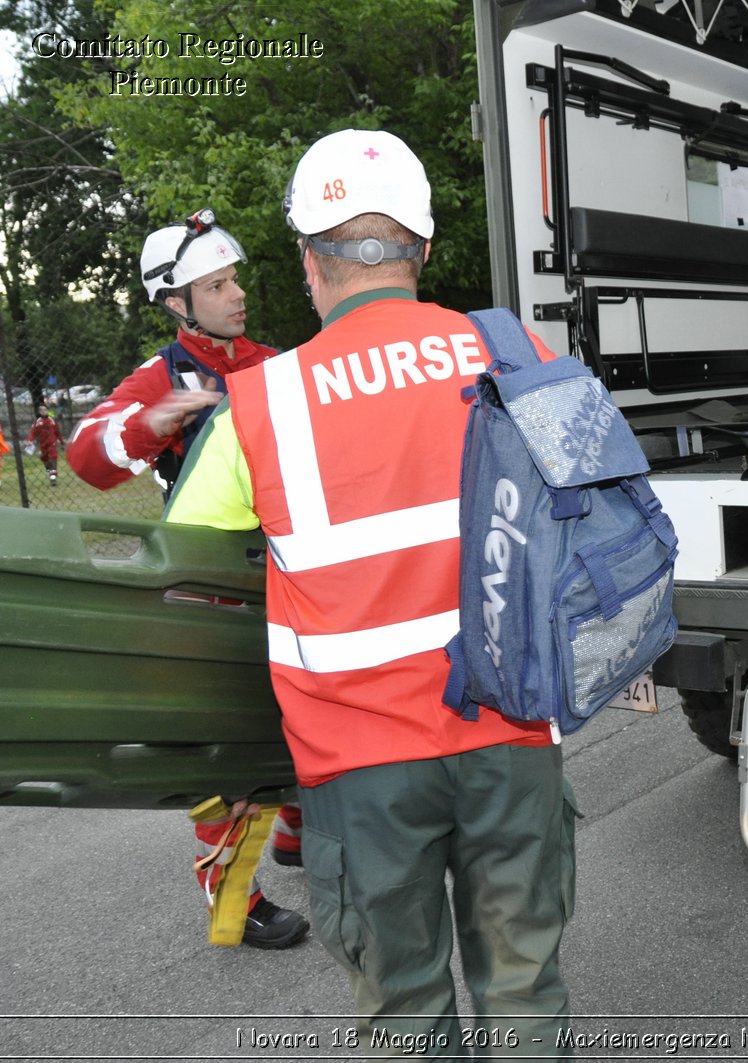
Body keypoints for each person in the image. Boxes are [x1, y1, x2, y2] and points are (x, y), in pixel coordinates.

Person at [166, 128, 575, 1055]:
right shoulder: (515, 352)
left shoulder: (261, 403)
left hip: (361, 763)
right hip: (512, 735)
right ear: (423, 250)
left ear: (309, 262)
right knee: (523, 989)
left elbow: (179, 570)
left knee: (405, 1009)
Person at [69, 209, 309, 951]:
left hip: (289, 576)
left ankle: (298, 832)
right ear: (177, 301)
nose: (237, 293)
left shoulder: (274, 359)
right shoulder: (157, 378)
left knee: (308, 709)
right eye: (217, 284)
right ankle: (232, 902)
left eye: (235, 278)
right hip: (208, 591)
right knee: (227, 748)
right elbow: (86, 457)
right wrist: (161, 418)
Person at [26, 405, 63, 485]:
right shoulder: (37, 422)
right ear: (39, 412)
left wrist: (61, 441)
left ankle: (53, 476)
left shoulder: (52, 420)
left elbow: (58, 432)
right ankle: (50, 472)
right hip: (42, 444)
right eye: (42, 410)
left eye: (45, 410)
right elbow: (33, 432)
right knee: (44, 458)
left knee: (53, 456)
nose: (44, 411)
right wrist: (30, 440)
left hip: (51, 443)